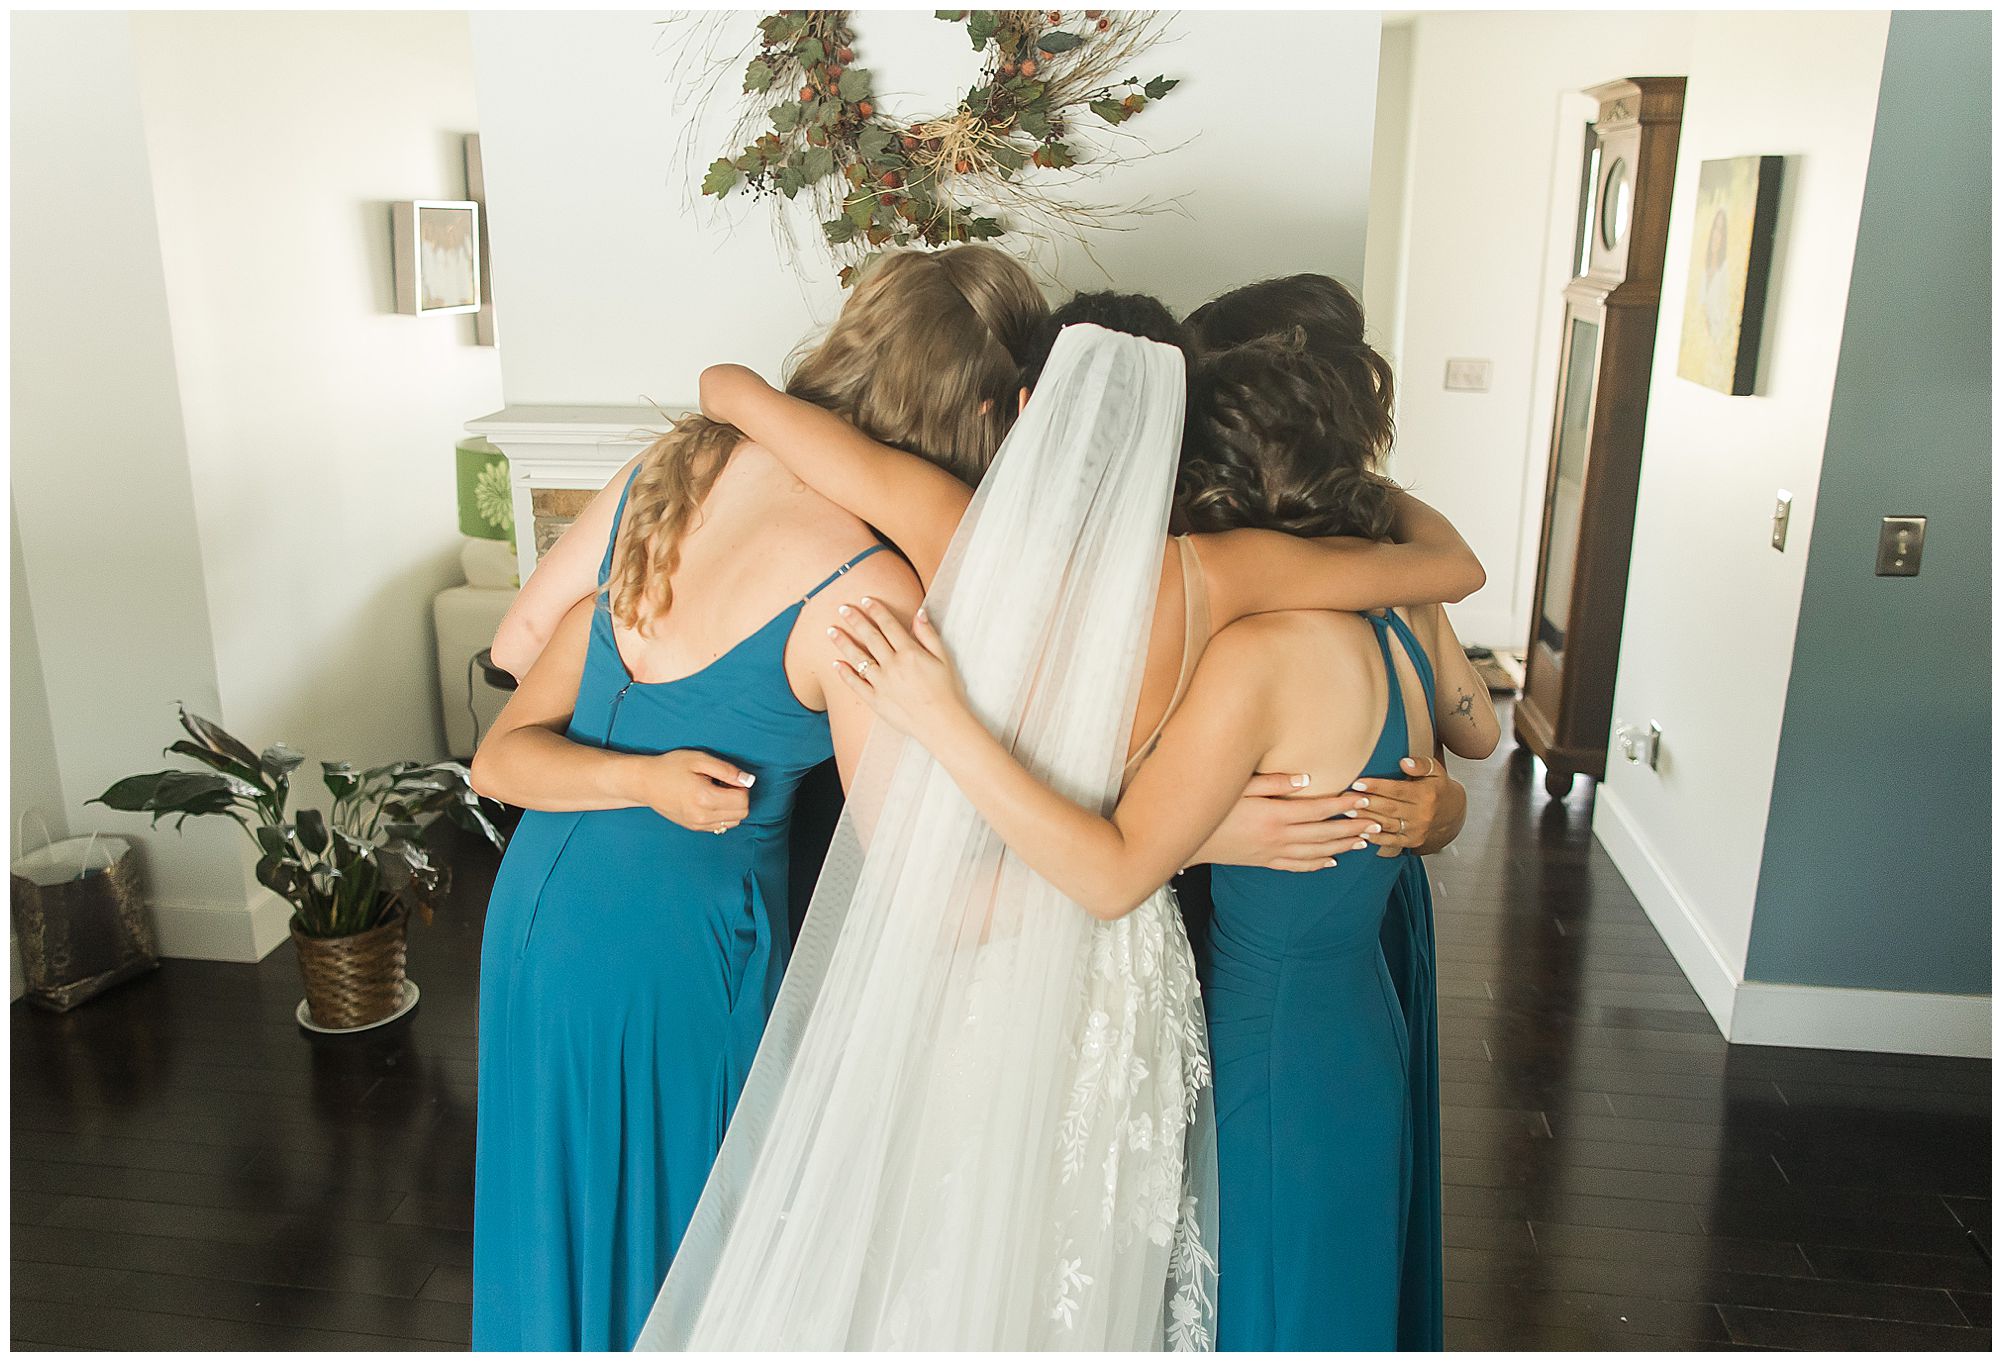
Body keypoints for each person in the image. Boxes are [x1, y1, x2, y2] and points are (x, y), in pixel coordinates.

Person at [824, 323, 1501, 1351]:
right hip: (1365, 1029)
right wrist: (1441, 811)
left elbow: (1113, 870)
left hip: (1266, 1054)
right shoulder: (1403, 619)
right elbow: (1458, 722)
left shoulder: (1257, 655)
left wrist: (939, 715)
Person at [463, 244, 1045, 1350]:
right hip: (680, 953)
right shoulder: (870, 588)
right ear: (980, 409)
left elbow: (519, 641)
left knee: (559, 1215)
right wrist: (1130, 860)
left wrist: (640, 700)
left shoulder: (677, 464)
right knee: (688, 1254)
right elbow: (920, 885)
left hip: (540, 908)